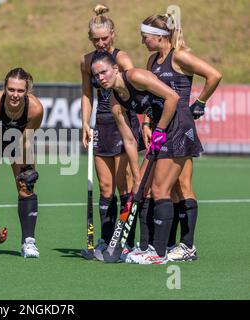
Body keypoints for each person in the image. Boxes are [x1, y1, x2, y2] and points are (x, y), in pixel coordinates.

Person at [136, 12, 222, 262]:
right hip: (163, 126)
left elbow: (214, 75)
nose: (143, 42)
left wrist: (201, 102)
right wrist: (147, 122)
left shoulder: (180, 56)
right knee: (177, 187)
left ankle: (185, 246)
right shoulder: (152, 60)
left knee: (169, 187)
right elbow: (153, 97)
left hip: (179, 127)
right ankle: (181, 245)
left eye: (145, 37)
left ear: (159, 37)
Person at [91, 51, 180, 264]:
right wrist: (136, 173)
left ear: (116, 69)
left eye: (104, 72)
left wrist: (158, 128)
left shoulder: (135, 76)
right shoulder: (114, 101)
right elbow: (130, 141)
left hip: (176, 126)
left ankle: (160, 253)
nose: (101, 78)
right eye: (96, 75)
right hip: (160, 130)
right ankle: (145, 247)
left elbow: (173, 97)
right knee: (143, 188)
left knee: (159, 190)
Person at [80, 4, 143, 258]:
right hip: (101, 125)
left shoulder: (122, 58)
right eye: (95, 39)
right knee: (105, 187)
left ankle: (126, 240)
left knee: (123, 184)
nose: (100, 43)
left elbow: (135, 90)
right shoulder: (86, 61)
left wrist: (145, 121)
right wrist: (85, 123)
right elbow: (86, 93)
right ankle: (106, 240)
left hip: (124, 123)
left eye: (104, 38)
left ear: (113, 34)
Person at [0, 68, 44, 258]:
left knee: (25, 186)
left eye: (20, 91)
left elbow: (25, 142)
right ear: (4, 87)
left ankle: (28, 242)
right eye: (11, 89)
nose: (15, 95)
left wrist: (26, 170)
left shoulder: (36, 109)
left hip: (19, 139)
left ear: (27, 91)